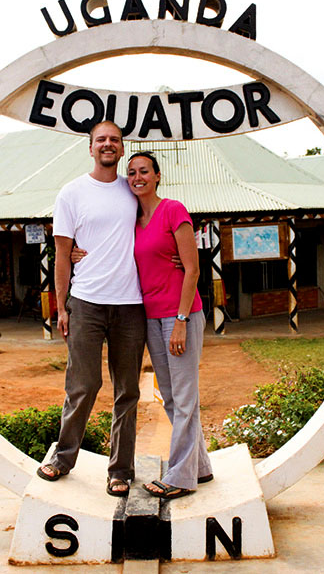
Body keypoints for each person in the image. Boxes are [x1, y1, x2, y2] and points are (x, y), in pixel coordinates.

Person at [76, 151, 213, 499]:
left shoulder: (173, 210)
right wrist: (78, 251)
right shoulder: (132, 220)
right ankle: (200, 466)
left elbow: (193, 269)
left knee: (183, 397)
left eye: (144, 171)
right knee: (170, 396)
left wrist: (181, 320)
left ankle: (180, 477)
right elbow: (108, 247)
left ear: (157, 176)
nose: (137, 177)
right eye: (132, 172)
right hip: (150, 315)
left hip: (179, 315)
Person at [37, 121, 146, 498]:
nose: (108, 145)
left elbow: (156, 229)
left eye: (114, 140)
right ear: (90, 148)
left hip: (131, 304)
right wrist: (61, 306)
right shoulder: (71, 193)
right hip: (85, 303)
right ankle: (63, 457)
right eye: (101, 139)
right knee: (82, 385)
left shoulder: (133, 189)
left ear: (121, 147)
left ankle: (120, 470)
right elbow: (63, 254)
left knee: (127, 390)